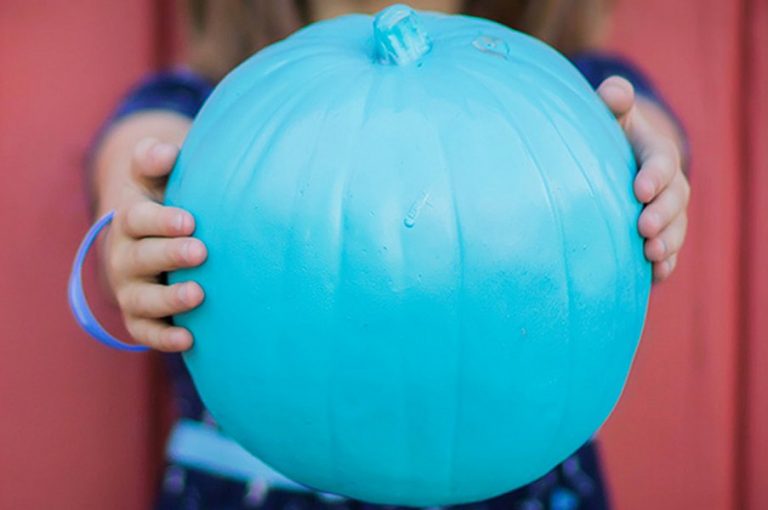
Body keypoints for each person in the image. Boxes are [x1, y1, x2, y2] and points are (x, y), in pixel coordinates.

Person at [90, 1, 690, 508]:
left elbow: (649, 134)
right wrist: (134, 232)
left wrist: (648, 169)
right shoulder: (203, 107)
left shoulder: (574, 92)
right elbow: (136, 164)